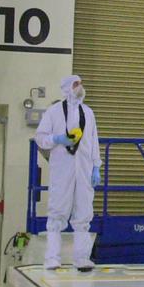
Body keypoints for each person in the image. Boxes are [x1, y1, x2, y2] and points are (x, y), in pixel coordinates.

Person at [34, 74, 101, 271]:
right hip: (62, 169)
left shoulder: (88, 113)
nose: (80, 87)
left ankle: (82, 258)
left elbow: (94, 141)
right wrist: (57, 139)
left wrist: (96, 166)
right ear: (66, 88)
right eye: (75, 84)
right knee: (57, 213)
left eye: (80, 83)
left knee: (83, 214)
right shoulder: (54, 112)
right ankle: (52, 258)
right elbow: (40, 137)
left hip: (85, 170)